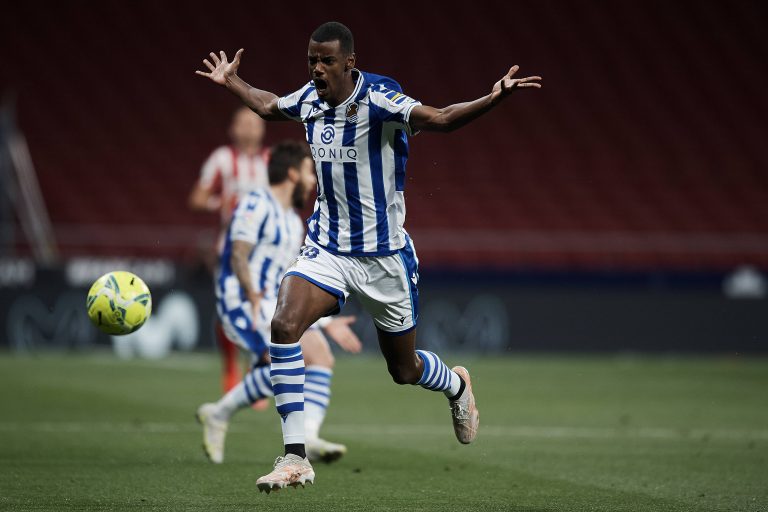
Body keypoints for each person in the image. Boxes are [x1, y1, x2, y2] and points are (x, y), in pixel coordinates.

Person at [196, 21, 542, 493]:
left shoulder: (379, 101)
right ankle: (295, 456)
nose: (317, 69)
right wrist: (232, 80)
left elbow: (440, 118)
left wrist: (494, 96)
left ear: (349, 63)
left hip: (384, 258)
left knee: (404, 371)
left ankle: (458, 386)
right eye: (312, 60)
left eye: (326, 61)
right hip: (327, 249)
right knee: (284, 325)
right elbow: (268, 104)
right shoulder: (310, 100)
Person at [196, 140, 363, 465]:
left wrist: (325, 322)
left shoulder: (293, 221)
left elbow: (291, 281)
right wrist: (252, 292)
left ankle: (304, 433)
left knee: (320, 357)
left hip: (272, 302)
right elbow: (239, 253)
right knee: (287, 365)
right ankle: (221, 415)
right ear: (291, 173)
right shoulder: (254, 204)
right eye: (308, 171)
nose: (313, 180)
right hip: (243, 302)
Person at [188, 107, 269, 394]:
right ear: (233, 129)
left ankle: (256, 371)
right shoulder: (222, 158)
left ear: (263, 129)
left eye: (254, 123)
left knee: (263, 310)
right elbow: (197, 198)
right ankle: (230, 366)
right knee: (228, 310)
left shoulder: (272, 162)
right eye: (242, 123)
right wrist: (219, 203)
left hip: (266, 251)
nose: (248, 128)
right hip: (230, 247)